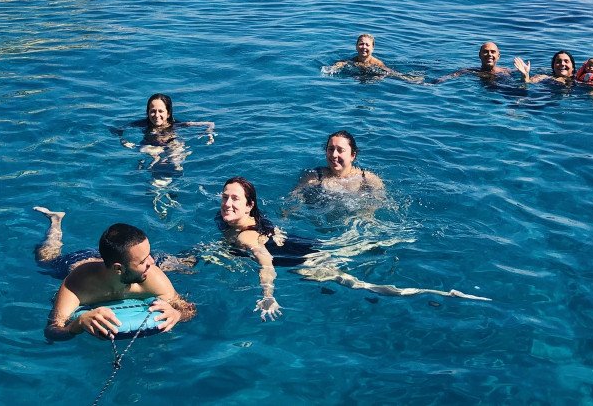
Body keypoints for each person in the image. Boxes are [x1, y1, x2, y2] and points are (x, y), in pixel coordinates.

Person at [217, 177, 488, 321]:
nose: (228, 203)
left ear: (249, 204)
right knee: (372, 242)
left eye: (235, 198)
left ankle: (438, 292)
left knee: (360, 286)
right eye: (225, 196)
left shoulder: (246, 237)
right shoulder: (259, 221)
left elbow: (265, 264)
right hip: (314, 245)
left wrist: (268, 295)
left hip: (307, 262)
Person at [35, 210, 196, 341]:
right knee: (46, 260)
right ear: (119, 269)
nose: (152, 262)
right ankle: (55, 221)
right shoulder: (76, 285)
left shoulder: (153, 276)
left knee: (187, 264)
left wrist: (178, 314)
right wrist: (77, 324)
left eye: (149, 254)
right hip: (79, 261)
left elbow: (188, 308)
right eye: (143, 261)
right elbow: (51, 330)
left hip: (120, 258)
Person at [111, 94, 215, 215]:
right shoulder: (143, 124)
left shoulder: (177, 125)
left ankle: (172, 187)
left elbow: (210, 124)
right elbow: (116, 129)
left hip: (171, 145)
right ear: (148, 112)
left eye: (161, 111)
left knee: (175, 159)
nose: (156, 115)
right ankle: (158, 190)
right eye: (152, 111)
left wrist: (209, 134)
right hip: (152, 148)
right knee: (151, 155)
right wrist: (123, 141)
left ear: (168, 113)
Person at [289, 131, 385, 199]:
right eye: (330, 149)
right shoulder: (314, 176)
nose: (334, 155)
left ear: (352, 155)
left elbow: (377, 204)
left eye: (340, 150)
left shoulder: (367, 179)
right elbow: (295, 198)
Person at [325, 34, 422, 82]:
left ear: (372, 48)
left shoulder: (377, 63)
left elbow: (391, 73)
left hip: (374, 78)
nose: (364, 47)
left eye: (367, 45)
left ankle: (418, 81)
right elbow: (341, 63)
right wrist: (333, 68)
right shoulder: (352, 60)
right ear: (356, 46)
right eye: (361, 44)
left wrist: (407, 79)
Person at [433, 41, 513, 82]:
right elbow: (448, 76)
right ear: (479, 55)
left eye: (493, 52)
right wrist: (430, 83)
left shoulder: (507, 71)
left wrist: (525, 76)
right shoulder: (471, 71)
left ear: (498, 56)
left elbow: (523, 84)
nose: (489, 54)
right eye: (485, 51)